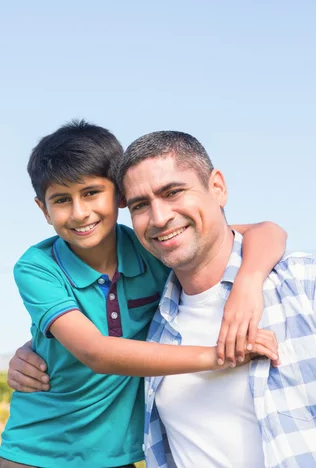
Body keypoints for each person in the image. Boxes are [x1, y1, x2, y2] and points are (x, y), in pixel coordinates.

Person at [0, 120, 284, 468]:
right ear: (44, 210)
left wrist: (248, 283)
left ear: (118, 196)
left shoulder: (153, 244)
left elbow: (265, 230)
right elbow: (96, 351)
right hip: (36, 454)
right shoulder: (37, 266)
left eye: (91, 193)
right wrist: (220, 356)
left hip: (120, 456)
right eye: (61, 200)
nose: (79, 212)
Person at [116, 130, 316, 467]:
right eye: (140, 205)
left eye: (173, 192)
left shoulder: (302, 283)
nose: (160, 217)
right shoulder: (151, 327)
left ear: (217, 188)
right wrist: (30, 353)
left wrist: (249, 279)